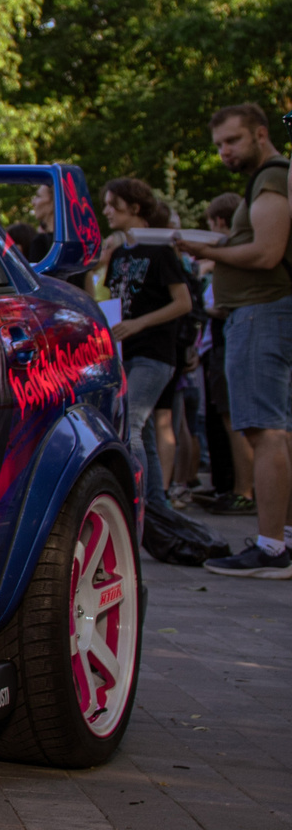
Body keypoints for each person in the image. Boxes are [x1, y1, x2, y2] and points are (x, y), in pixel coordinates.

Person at [182, 102, 291, 576]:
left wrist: (207, 250)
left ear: (261, 134)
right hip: (260, 313)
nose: (225, 152)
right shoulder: (268, 179)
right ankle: (281, 539)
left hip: (262, 313)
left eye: (232, 141)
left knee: (262, 431)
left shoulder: (271, 177)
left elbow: (267, 252)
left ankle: (271, 548)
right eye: (219, 145)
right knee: (274, 432)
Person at [97, 179, 191, 497]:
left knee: (130, 424)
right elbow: (112, 297)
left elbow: (183, 302)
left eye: (114, 204)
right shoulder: (120, 251)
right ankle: (155, 509)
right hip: (126, 352)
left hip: (154, 353)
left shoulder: (161, 251)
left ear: (135, 207)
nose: (106, 211)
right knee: (144, 434)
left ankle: (133, 503)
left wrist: (138, 324)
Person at [200, 193, 250, 512]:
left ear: (219, 223)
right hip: (221, 346)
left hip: (227, 345)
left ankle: (244, 490)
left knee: (239, 423)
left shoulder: (233, 257)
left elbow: (223, 304)